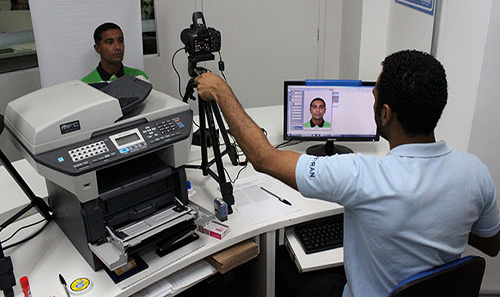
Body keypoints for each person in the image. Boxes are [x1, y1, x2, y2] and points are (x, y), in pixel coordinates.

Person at [194, 50, 500, 297]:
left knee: (281, 263)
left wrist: (221, 90)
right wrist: (437, 222)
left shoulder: (362, 176)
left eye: (375, 95)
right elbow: (491, 245)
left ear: (385, 113)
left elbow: (263, 158)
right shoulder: (475, 173)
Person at [82, 22, 148, 84]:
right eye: (110, 42)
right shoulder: (86, 85)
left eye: (120, 41)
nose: (118, 47)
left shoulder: (139, 77)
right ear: (97, 48)